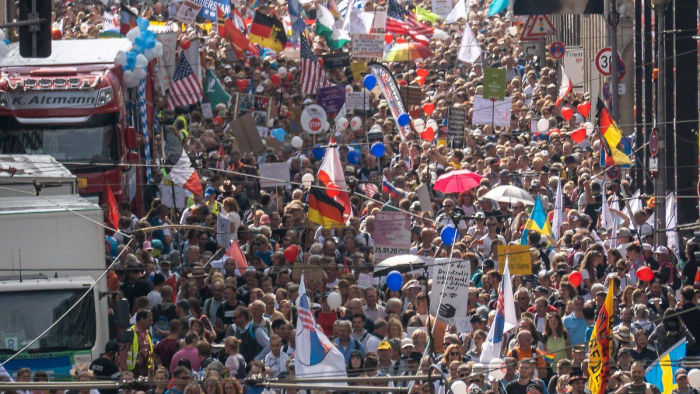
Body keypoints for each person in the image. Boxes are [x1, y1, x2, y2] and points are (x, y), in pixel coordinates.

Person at [120, 310, 154, 378]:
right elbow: (123, 354)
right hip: (132, 372)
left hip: (145, 371)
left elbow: (150, 354)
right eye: (149, 320)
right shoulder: (129, 333)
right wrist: (126, 374)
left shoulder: (148, 334)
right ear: (142, 320)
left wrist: (152, 373)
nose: (151, 322)